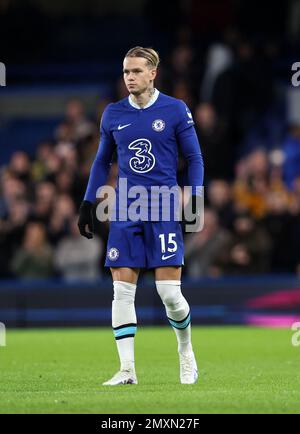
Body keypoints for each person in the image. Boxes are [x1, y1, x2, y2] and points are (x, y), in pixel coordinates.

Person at [78, 47, 204, 385]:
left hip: (163, 207)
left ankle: (186, 352)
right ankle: (127, 370)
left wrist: (195, 197)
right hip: (125, 209)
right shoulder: (113, 113)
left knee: (169, 294)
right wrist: (88, 202)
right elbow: (102, 161)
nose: (129, 78)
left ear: (152, 73)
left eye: (136, 71)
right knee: (121, 292)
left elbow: (194, 158)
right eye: (125, 72)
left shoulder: (175, 110)